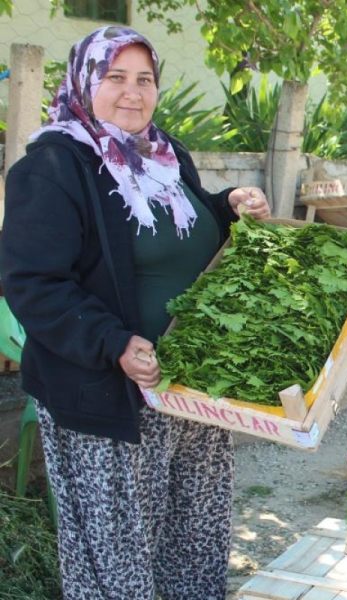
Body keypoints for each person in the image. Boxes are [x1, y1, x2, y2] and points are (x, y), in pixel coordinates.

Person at [0, 26, 271, 600]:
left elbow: (184, 235)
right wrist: (114, 343)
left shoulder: (165, 154)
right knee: (119, 566)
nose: (133, 92)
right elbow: (33, 283)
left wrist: (228, 208)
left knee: (193, 545)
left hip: (191, 390)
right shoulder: (53, 167)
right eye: (115, 77)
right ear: (83, 82)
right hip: (109, 399)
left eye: (144, 78)